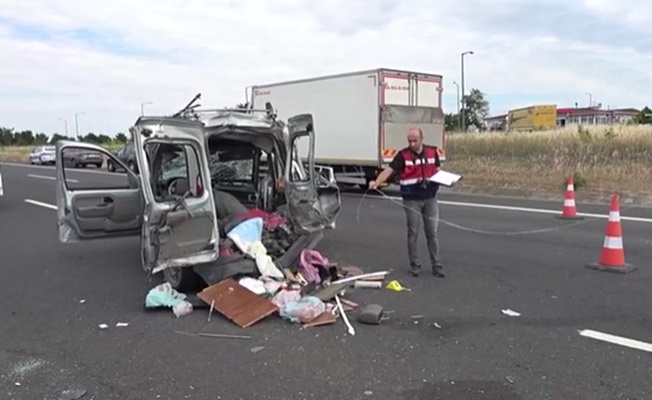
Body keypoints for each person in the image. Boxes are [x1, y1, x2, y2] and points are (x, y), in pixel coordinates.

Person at [369, 127, 445, 278]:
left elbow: (437, 171)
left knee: (432, 233)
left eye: (415, 141)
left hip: (430, 198)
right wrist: (377, 182)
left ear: (422, 139)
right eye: (409, 141)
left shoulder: (432, 152)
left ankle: (437, 265)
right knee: (413, 233)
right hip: (412, 200)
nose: (412, 144)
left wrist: (448, 181)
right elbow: (389, 170)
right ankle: (414, 265)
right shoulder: (402, 155)